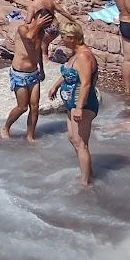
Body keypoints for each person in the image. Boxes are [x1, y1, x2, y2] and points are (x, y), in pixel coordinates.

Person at [48, 23, 100, 187]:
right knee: (73, 138)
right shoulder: (76, 54)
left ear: (71, 38)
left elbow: (85, 84)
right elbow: (70, 74)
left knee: (80, 143)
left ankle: (86, 183)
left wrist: (79, 107)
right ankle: (89, 173)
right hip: (73, 104)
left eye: (63, 37)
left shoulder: (84, 56)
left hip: (83, 104)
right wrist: (56, 85)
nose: (62, 40)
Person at [1, 7, 52, 141]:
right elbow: (29, 38)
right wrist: (38, 24)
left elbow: (38, 51)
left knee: (35, 106)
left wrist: (42, 68)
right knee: (22, 107)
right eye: (44, 21)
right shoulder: (23, 29)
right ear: (36, 18)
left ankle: (30, 136)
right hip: (20, 74)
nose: (46, 25)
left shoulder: (40, 33)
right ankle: (6, 127)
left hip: (33, 73)